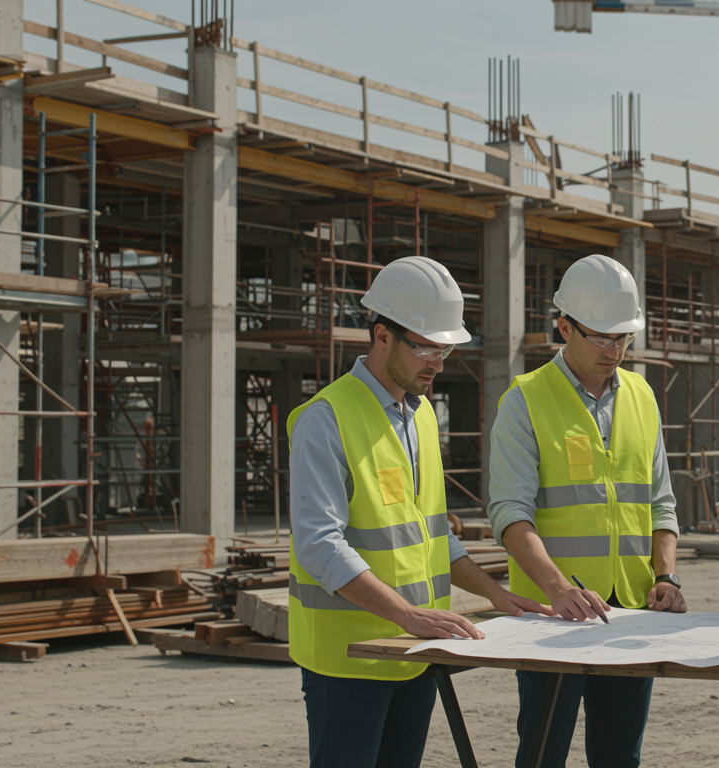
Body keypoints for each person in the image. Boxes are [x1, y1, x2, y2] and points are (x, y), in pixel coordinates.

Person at [288, 256, 553, 768]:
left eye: (445, 348)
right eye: (426, 347)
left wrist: (497, 595)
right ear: (382, 335)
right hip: (348, 659)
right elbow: (319, 546)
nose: (438, 362)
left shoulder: (421, 415)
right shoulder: (325, 419)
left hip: (413, 655)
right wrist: (407, 616)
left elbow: (434, 538)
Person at [487, 253, 684, 768]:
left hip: (632, 611)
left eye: (623, 337)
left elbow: (661, 503)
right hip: (553, 617)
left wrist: (667, 577)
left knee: (621, 756)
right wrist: (558, 589)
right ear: (563, 326)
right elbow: (510, 513)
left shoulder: (642, 396)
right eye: (600, 336)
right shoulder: (525, 399)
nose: (614, 349)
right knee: (542, 753)